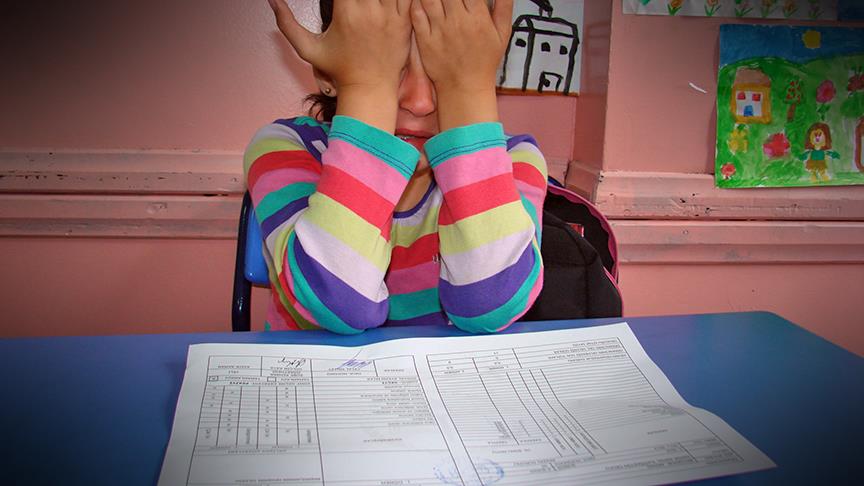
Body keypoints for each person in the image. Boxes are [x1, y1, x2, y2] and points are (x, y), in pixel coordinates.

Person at [245, 0, 548, 333]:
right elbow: (338, 306)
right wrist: (366, 89)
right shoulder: (288, 145)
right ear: (327, 73)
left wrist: (467, 92)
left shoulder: (512, 158)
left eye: (442, 72)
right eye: (390, 67)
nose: (420, 102)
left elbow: (490, 307)